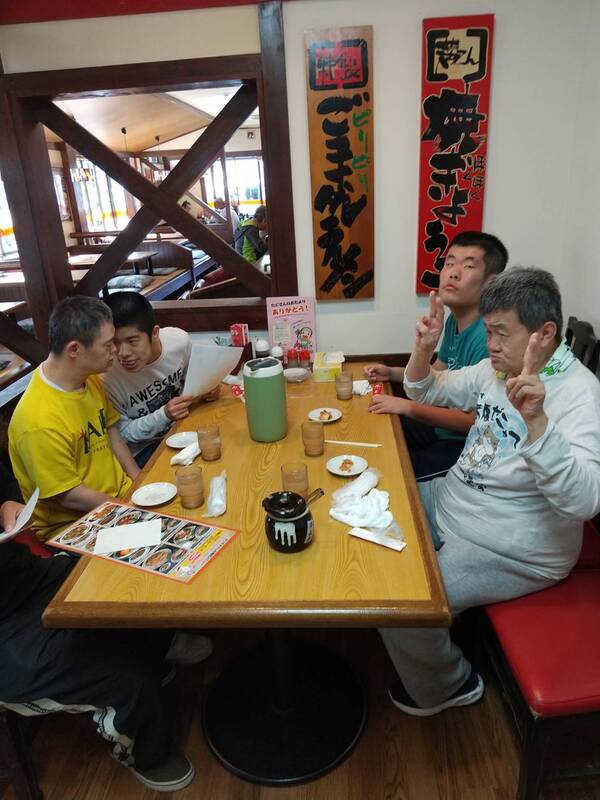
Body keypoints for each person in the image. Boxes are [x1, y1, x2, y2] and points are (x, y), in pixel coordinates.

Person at [380, 267, 600, 716]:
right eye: (488, 332)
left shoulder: (579, 392)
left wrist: (537, 421)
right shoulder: (496, 370)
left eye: (501, 333)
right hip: (453, 500)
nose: (491, 344)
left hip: (512, 545)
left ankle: (450, 686)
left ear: (545, 333)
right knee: (372, 516)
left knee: (400, 602)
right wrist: (424, 348)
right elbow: (426, 389)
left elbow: (584, 502)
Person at [0, 481, 203, 791]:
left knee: (121, 581)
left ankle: (156, 654)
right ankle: (147, 753)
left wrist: (8, 504)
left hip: (24, 574)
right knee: (124, 677)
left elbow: (6, 488)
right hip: (6, 631)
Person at [365, 231, 508, 480]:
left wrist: (407, 406)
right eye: (449, 263)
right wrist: (391, 373)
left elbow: (474, 421)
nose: (453, 273)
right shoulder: (453, 320)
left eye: (468, 266)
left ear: (491, 283)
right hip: (441, 429)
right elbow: (437, 372)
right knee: (379, 432)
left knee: (395, 472)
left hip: (469, 444)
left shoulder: (490, 338)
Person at [9, 297, 139, 542]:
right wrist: (126, 508)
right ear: (74, 350)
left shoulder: (87, 376)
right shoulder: (38, 421)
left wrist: (138, 481)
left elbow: (111, 429)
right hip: (77, 527)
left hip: (119, 498)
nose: (116, 350)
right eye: (108, 345)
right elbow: (69, 495)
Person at [103, 292, 219, 468]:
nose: (122, 353)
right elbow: (123, 434)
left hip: (183, 427)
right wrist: (164, 415)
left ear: (155, 333)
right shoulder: (107, 376)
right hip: (144, 450)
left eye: (132, 341)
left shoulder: (178, 341)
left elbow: (193, 381)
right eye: (114, 343)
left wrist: (208, 388)